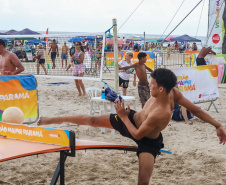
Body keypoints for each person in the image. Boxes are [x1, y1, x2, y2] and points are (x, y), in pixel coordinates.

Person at [38, 68, 226, 185]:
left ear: (161, 89)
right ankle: (53, 119)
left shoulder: (162, 112)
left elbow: (137, 135)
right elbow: (198, 110)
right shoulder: (169, 91)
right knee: (92, 119)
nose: (148, 86)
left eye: (152, 84)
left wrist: (122, 116)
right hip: (134, 119)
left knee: (143, 181)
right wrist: (218, 125)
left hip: (146, 140)